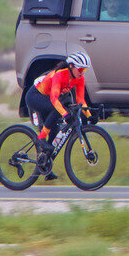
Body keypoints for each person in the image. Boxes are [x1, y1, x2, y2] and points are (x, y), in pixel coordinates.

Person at [25, 52, 96, 180]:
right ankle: (40, 138)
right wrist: (65, 114)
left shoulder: (80, 78)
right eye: (80, 69)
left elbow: (80, 99)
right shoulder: (60, 75)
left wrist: (89, 116)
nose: (82, 72)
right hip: (35, 96)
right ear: (71, 66)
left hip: (47, 99)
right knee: (57, 111)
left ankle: (45, 166)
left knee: (55, 130)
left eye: (84, 69)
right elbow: (54, 99)